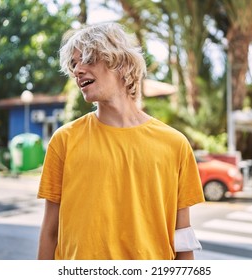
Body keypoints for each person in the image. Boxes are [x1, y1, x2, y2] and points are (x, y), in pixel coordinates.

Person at [37, 22, 205, 260]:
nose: (78, 70)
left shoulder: (175, 144)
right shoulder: (64, 140)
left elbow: (182, 234)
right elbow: (50, 232)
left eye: (88, 59)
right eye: (74, 64)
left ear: (121, 64)